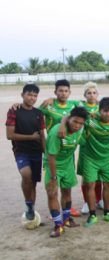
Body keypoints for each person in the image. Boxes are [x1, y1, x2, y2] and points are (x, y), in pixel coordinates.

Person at [38, 79, 81, 217]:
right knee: (53, 186)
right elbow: (33, 112)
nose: (63, 93)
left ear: (70, 92)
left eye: (66, 91)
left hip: (68, 148)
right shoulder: (48, 105)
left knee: (66, 185)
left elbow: (89, 106)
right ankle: (55, 214)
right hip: (53, 147)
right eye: (60, 91)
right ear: (55, 92)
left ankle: (67, 212)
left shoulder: (74, 105)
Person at [79, 97, 109, 227]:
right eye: (105, 111)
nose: (108, 114)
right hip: (90, 158)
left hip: (107, 158)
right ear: (99, 111)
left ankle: (107, 212)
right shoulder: (90, 120)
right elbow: (73, 115)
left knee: (108, 185)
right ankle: (92, 214)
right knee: (90, 185)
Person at [6, 84, 46, 230]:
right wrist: (30, 137)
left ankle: (31, 211)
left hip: (36, 152)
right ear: (22, 95)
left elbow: (42, 135)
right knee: (26, 174)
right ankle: (28, 204)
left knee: (33, 183)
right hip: (21, 151)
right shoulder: (14, 111)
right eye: (30, 95)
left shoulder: (39, 113)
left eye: (35, 96)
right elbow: (9, 135)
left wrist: (46, 152)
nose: (32, 98)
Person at [44, 107, 88, 237]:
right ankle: (58, 225)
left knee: (67, 192)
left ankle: (67, 219)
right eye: (75, 122)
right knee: (52, 194)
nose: (77, 126)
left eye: (81, 123)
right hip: (53, 166)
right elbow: (51, 156)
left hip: (68, 165)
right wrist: (53, 178)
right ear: (69, 119)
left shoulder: (80, 131)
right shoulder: (57, 132)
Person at [78, 82, 104, 214]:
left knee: (99, 174)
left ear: (97, 94)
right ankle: (87, 202)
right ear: (84, 95)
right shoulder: (80, 106)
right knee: (86, 176)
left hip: (99, 145)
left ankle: (98, 199)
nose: (92, 95)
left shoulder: (102, 107)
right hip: (86, 146)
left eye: (94, 93)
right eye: (89, 93)